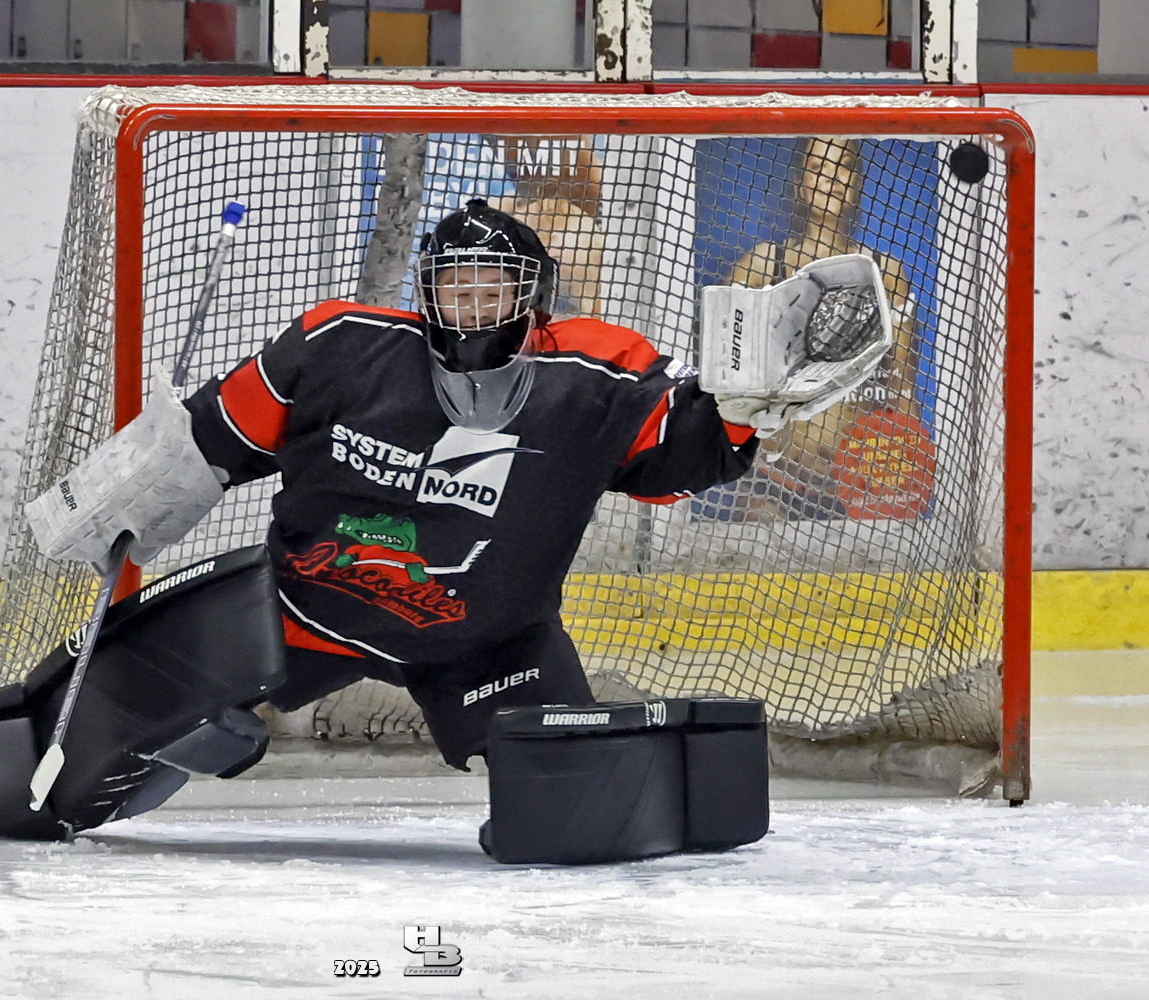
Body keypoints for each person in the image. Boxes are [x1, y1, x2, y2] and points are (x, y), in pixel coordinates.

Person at [173, 198, 763, 770]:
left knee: (573, 790)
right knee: (152, 702)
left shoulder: (593, 375)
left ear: (533, 297)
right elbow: (207, 441)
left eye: (493, 291)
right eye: (457, 290)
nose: (474, 307)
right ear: (427, 292)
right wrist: (135, 497)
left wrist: (743, 404)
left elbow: (682, 454)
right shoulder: (341, 345)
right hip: (307, 615)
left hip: (491, 646)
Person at [715, 137, 927, 521]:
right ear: (799, 185)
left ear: (857, 183)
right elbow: (722, 369)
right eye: (817, 168)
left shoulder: (885, 272)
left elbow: (902, 385)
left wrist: (904, 465)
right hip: (774, 474)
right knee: (756, 538)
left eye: (842, 166)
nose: (830, 178)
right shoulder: (763, 265)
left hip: (856, 479)